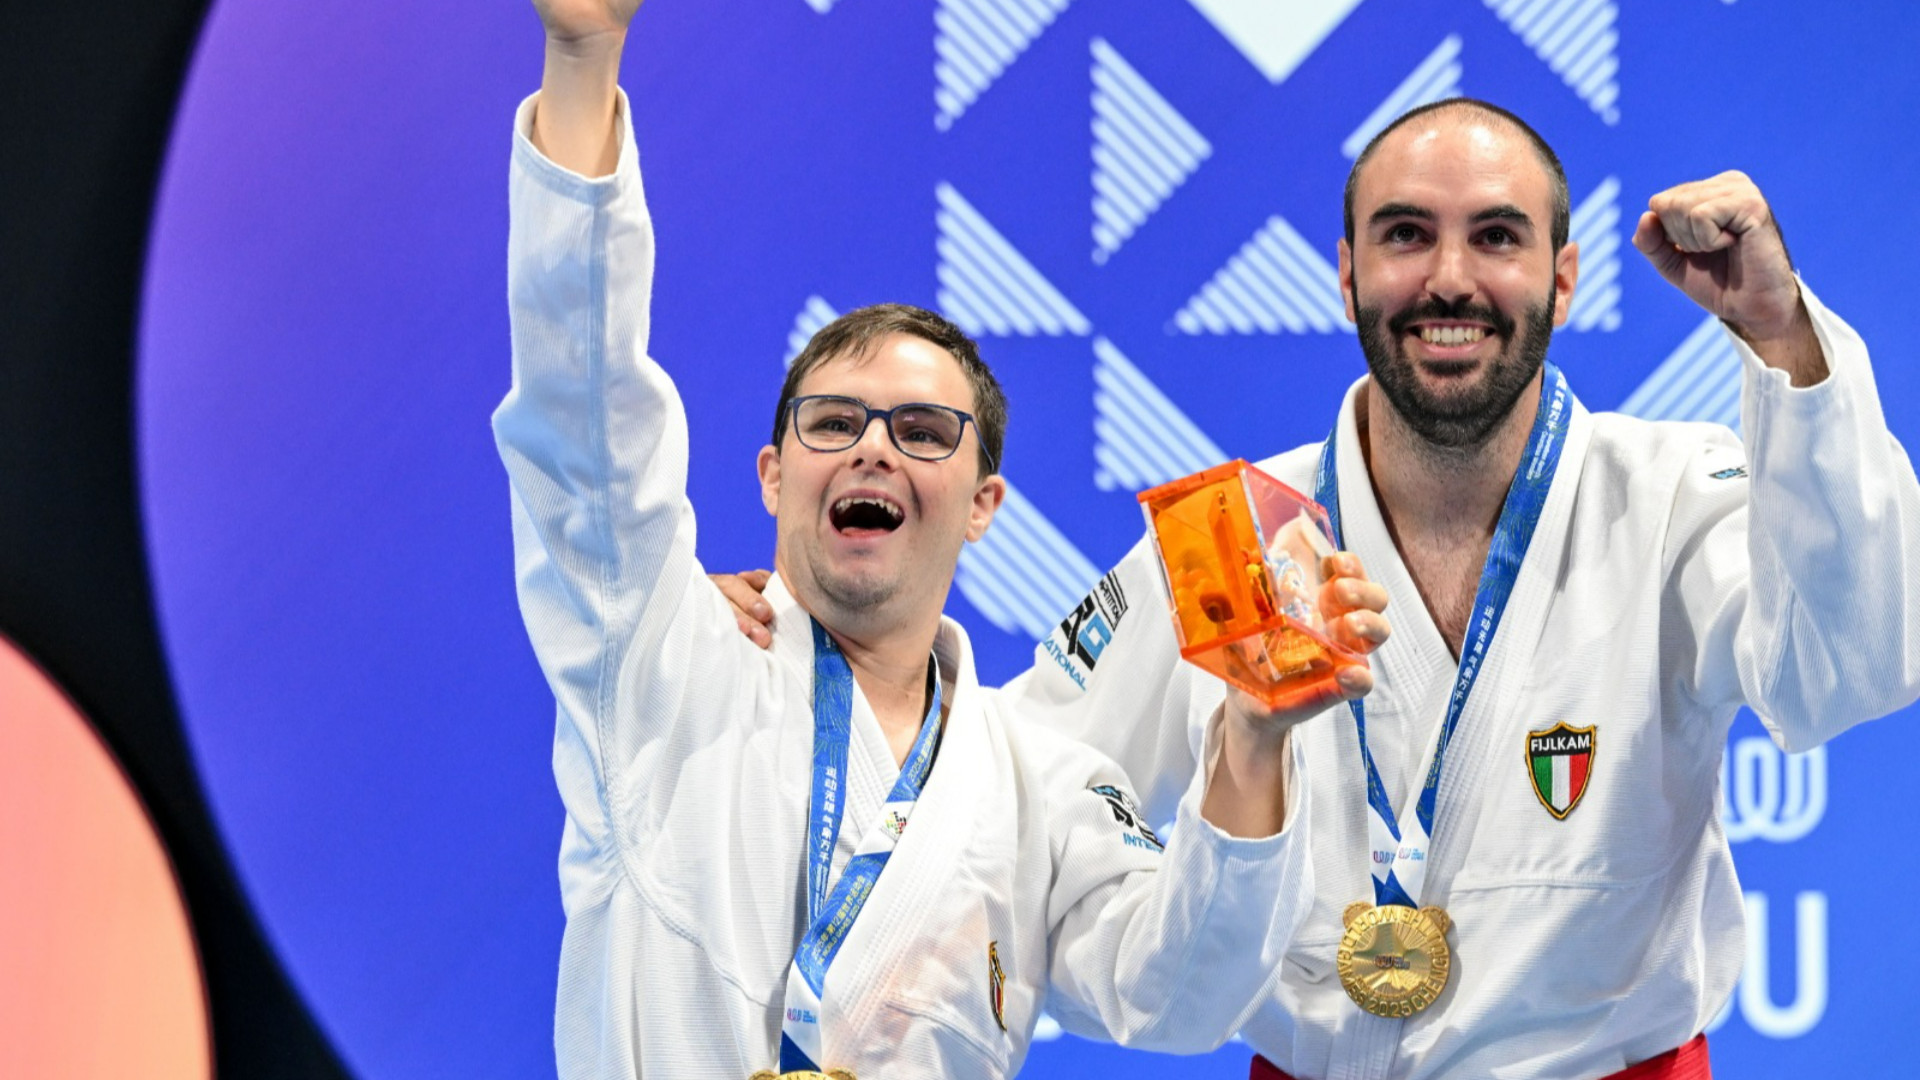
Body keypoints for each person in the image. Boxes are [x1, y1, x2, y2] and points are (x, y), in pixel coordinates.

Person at [720, 98, 1920, 1079]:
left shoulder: (1674, 498)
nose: (1449, 278)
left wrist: (1786, 344)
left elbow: (1850, 673)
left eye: (1496, 238)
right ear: (1346, 275)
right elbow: (1007, 785)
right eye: (1405, 235)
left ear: (1563, 279)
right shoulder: (1228, 536)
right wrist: (802, 655)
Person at [493, 2, 1393, 1077]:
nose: (874, 448)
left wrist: (1250, 745)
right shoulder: (664, 665)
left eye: (923, 433)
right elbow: (584, 417)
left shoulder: (1036, 779)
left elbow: (1182, 994)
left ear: (983, 505)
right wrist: (583, 56)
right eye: (834, 422)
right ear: (774, 476)